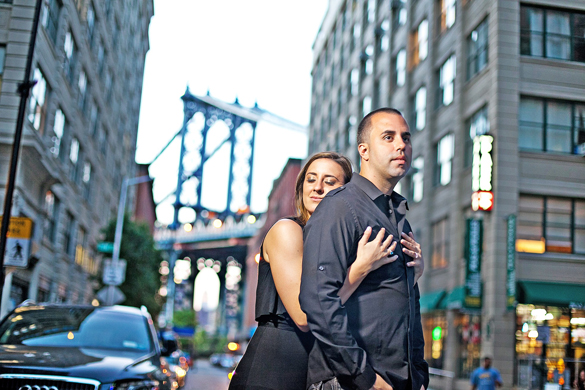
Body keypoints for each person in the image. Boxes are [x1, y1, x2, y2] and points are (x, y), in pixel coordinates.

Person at [229, 151, 424, 390]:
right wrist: (360, 269)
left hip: (318, 372)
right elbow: (304, 315)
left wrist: (412, 271)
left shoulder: (344, 246)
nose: (318, 187)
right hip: (275, 368)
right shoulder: (288, 231)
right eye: (311, 179)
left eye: (330, 181)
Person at [299, 108, 429, 390]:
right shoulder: (339, 206)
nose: (401, 145)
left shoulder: (400, 219)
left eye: (405, 138)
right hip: (347, 383)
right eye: (388, 137)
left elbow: (408, 303)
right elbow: (318, 301)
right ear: (364, 150)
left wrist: (418, 374)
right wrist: (364, 378)